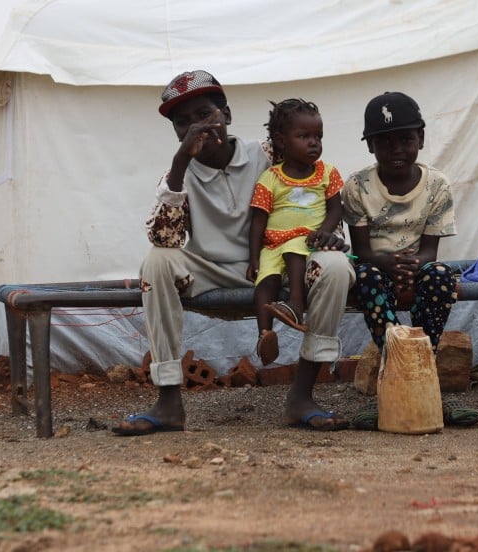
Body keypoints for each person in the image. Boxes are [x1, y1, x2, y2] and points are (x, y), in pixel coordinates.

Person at [112, 71, 355, 435]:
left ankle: (302, 395)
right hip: (210, 270)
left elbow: (315, 192)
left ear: (225, 114)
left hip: (280, 259)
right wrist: (180, 165)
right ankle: (168, 402)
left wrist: (329, 235)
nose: (197, 127)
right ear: (177, 134)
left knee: (335, 268)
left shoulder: (270, 152)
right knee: (157, 261)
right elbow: (165, 238)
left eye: (205, 115)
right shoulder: (177, 174)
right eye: (183, 123)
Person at [341, 91, 478, 429]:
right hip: (375, 267)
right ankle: (401, 377)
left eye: (406, 139)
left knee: (441, 275)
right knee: (366, 277)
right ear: (370, 146)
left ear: (421, 137)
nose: (397, 149)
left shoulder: (437, 185)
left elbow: (430, 253)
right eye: (384, 141)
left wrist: (411, 265)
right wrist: (387, 264)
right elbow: (360, 250)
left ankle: (419, 373)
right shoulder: (357, 186)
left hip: (415, 266)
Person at [247, 98, 345, 366]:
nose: (314, 143)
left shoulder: (328, 173)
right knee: (265, 280)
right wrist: (254, 258)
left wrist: (323, 232)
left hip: (306, 239)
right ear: (280, 141)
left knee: (294, 250)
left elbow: (336, 209)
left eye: (318, 136)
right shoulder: (271, 178)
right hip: (272, 244)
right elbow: (258, 220)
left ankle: (296, 305)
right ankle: (264, 335)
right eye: (304, 136)